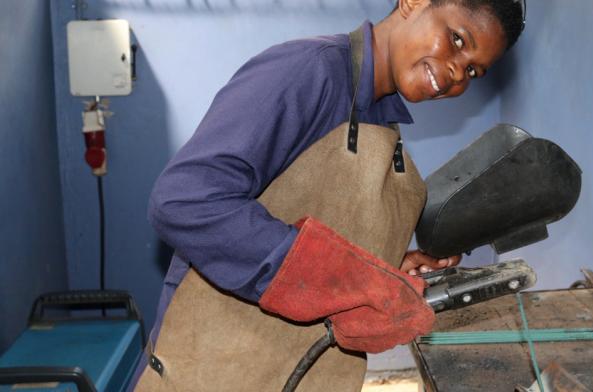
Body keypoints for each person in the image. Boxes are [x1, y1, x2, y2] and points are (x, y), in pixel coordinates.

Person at [131, 0, 524, 390]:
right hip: (209, 374)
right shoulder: (309, 71)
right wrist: (349, 281)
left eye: (474, 69)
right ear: (413, 3)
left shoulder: (383, 121)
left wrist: (388, 273)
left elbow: (312, 226)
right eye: (456, 39)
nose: (458, 73)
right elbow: (184, 199)